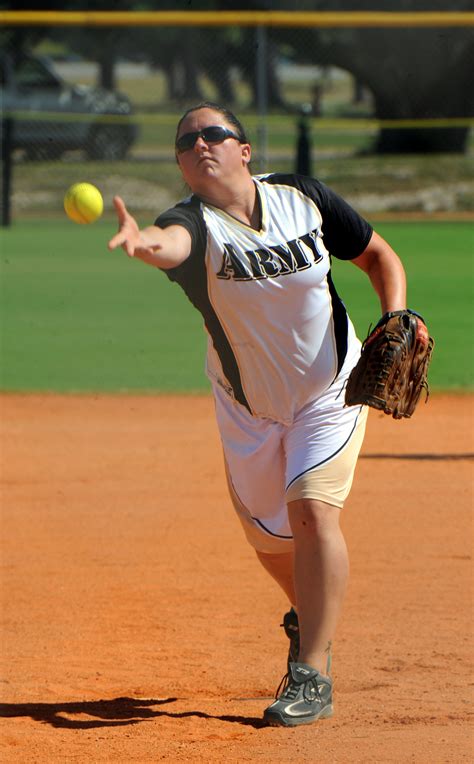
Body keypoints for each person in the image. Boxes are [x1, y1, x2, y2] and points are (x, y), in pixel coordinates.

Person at [108, 102, 407, 728]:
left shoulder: (304, 198)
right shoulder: (193, 225)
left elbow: (379, 255)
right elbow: (171, 244)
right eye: (185, 142)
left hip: (331, 388)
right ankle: (308, 617)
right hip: (248, 409)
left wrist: (395, 315)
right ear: (184, 169)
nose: (198, 144)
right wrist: (143, 244)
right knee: (271, 539)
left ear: (244, 150)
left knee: (310, 512)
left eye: (212, 133)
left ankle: (312, 671)